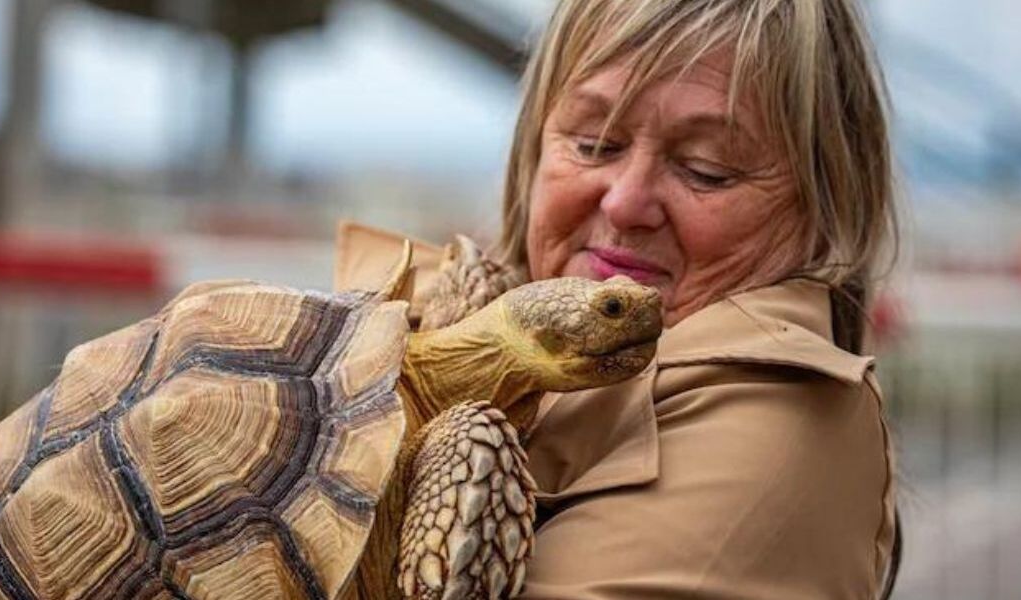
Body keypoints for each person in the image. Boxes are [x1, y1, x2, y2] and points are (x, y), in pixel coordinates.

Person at [335, 0, 899, 597]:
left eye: (707, 170)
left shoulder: (778, 435)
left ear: (825, 206)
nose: (625, 202)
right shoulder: (435, 318)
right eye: (592, 144)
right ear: (531, 148)